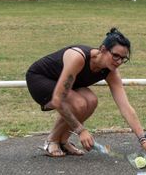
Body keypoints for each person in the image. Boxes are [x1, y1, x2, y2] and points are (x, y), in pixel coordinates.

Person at [25, 28, 146, 157]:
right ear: (103, 49)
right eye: (116, 56)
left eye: (123, 58)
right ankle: (51, 141)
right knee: (79, 103)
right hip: (40, 79)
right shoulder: (78, 57)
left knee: (92, 100)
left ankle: (63, 141)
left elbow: (125, 107)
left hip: (66, 86)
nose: (119, 62)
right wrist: (81, 130)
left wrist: (142, 139)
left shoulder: (111, 71)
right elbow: (57, 100)